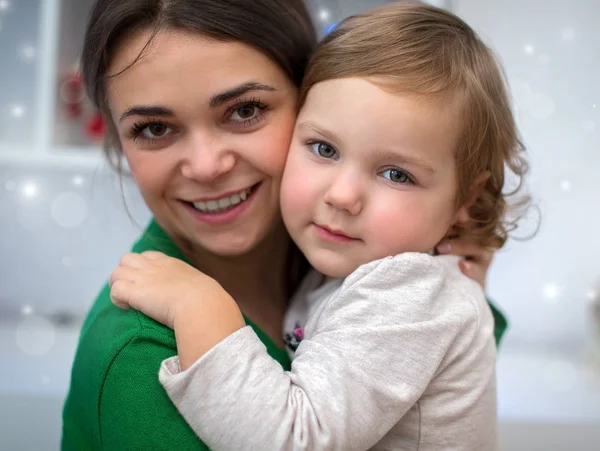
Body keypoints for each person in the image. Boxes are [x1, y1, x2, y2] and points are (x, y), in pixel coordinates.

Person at [61, 1, 508, 450]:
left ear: (304, 92)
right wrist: (199, 305)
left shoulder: (355, 266)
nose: (206, 166)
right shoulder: (139, 359)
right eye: (155, 128)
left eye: (245, 110)